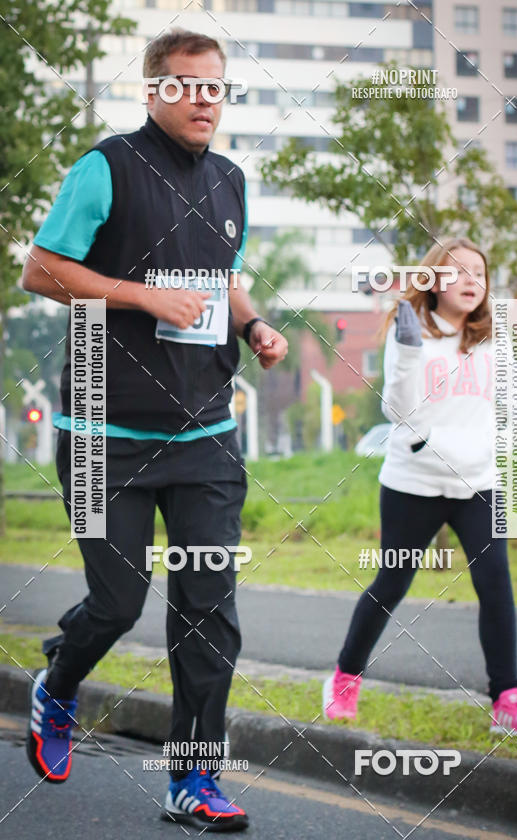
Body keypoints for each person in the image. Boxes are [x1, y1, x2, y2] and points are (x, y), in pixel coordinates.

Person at [21, 29, 288, 832]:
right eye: (186, 85)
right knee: (117, 602)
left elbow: (224, 279)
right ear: (153, 91)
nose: (204, 99)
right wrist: (142, 296)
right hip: (102, 432)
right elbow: (41, 268)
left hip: (205, 434)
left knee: (210, 612)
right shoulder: (106, 167)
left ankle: (193, 781)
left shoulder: (231, 180)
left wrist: (254, 326)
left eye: (215, 87)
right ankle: (59, 685)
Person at [323, 237, 517, 737]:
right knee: (392, 584)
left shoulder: (492, 335)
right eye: (459, 272)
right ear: (432, 280)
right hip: (414, 483)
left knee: (495, 583)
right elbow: (396, 410)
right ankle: (344, 678)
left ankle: (506, 701)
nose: (472, 281)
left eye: (479, 273)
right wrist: (409, 353)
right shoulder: (410, 330)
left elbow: (516, 392)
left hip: (479, 482)